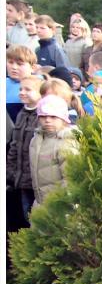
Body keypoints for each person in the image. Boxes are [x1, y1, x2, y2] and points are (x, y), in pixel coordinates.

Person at [28, 95, 80, 206]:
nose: (47, 120)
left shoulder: (66, 142)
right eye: (43, 116)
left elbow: (70, 179)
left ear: (63, 119)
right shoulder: (35, 140)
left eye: (53, 117)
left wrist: (66, 205)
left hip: (60, 206)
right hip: (40, 202)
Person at [7, 75, 42, 224]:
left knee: (33, 218)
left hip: (35, 180)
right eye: (21, 89)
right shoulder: (22, 113)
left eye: (28, 89)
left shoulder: (41, 115)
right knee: (24, 215)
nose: (22, 92)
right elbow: (14, 146)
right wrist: (9, 172)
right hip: (21, 179)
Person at [6, 44, 36, 123]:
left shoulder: (39, 85)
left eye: (19, 64)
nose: (14, 67)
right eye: (10, 62)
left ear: (32, 67)